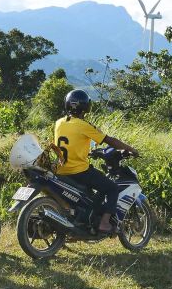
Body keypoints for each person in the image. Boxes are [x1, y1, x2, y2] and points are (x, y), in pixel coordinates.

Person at [53, 89, 139, 234]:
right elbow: (109, 140)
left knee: (97, 188)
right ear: (85, 107)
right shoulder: (84, 125)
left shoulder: (59, 123)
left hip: (60, 170)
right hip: (78, 171)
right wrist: (131, 149)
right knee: (111, 188)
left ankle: (87, 218)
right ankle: (104, 223)